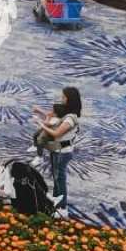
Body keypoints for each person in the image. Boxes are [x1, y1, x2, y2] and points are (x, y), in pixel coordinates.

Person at [32, 85, 81, 217]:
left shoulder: (70, 118)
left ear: (70, 99)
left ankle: (62, 209)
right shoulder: (66, 113)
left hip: (63, 153)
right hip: (58, 151)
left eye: (64, 97)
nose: (62, 99)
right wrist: (41, 113)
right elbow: (53, 115)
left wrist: (41, 124)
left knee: (60, 180)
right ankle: (56, 205)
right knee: (56, 178)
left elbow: (57, 134)